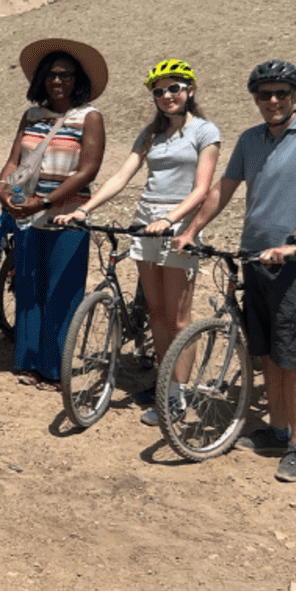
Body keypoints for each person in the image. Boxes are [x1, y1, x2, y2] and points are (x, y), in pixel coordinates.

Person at [174, 59, 296, 484]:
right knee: (267, 354)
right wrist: (192, 229)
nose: (273, 101)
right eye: (264, 94)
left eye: (282, 93)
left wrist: (294, 242)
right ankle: (277, 431)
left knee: (295, 358)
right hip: (254, 260)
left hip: (295, 265)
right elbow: (223, 190)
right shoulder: (250, 140)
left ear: (295, 96)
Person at [55, 59, 221, 424]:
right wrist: (86, 208)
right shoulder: (151, 135)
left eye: (174, 88)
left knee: (178, 318)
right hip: (145, 224)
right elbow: (122, 176)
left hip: (178, 227)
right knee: (157, 312)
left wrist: (170, 219)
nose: (167, 96)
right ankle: (166, 383)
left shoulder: (205, 132)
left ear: (190, 90)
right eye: (159, 91)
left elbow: (202, 189)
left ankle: (178, 396)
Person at [0, 39, 107, 390]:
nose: (58, 81)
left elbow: (87, 171)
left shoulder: (89, 117)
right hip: (27, 215)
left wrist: (44, 202)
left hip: (66, 217)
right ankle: (28, 362)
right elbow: (14, 161)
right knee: (29, 288)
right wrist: (2, 187)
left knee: (62, 290)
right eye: (51, 74)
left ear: (79, 80)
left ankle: (54, 370)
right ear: (41, 79)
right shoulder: (31, 116)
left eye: (66, 75)